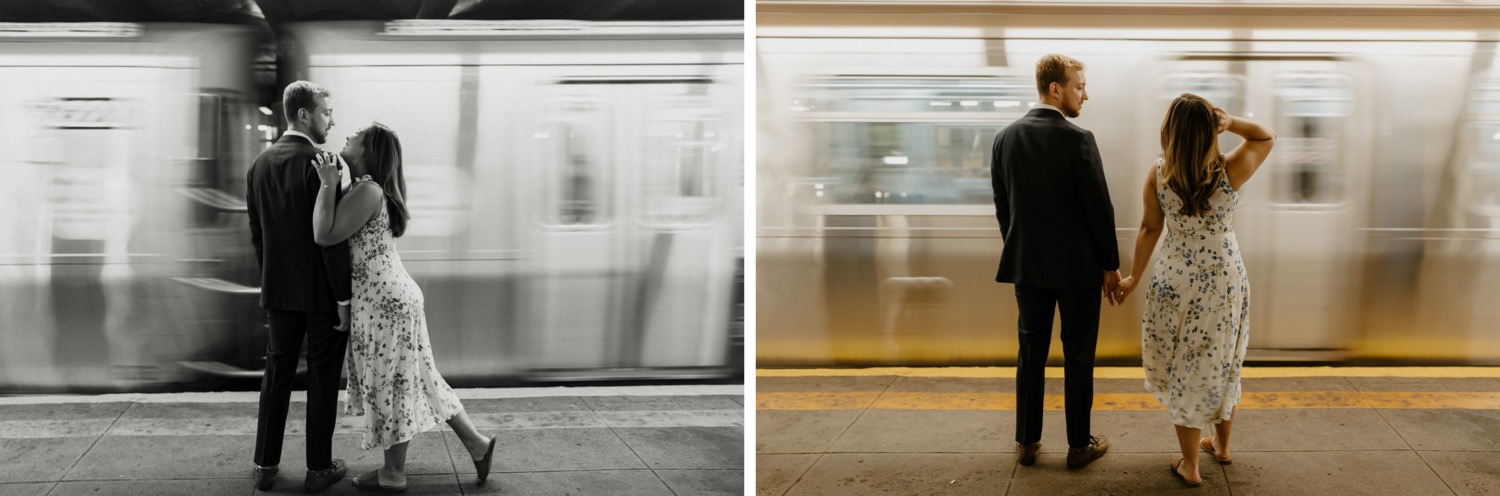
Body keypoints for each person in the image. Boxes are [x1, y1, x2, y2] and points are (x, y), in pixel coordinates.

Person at [309, 123, 497, 491]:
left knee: (390, 383)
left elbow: (323, 234)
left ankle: (393, 474)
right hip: (389, 297)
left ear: (368, 150)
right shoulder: (368, 189)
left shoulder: (367, 190)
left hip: (384, 303)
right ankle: (477, 444)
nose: (348, 135)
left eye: (357, 135)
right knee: (418, 378)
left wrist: (327, 184)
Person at [1114, 94, 1275, 486]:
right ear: (1210, 130)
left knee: (1186, 366)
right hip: (1224, 279)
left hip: (1176, 280)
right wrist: (1230, 121)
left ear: (1169, 130)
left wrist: (1133, 277)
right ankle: (1220, 446)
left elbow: (1150, 229)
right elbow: (1266, 137)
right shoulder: (1229, 169)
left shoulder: (1158, 172)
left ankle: (1190, 465)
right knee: (1223, 359)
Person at [990, 54, 1120, 470]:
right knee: (1078, 355)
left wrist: (1022, 247)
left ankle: (1027, 442)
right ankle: (1079, 445)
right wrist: (1110, 266)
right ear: (1056, 89)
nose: (1086, 93)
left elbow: (1003, 208)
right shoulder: (1078, 139)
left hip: (1027, 267)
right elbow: (1099, 209)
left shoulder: (1004, 139)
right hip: (1078, 270)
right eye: (1080, 86)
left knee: (1031, 352)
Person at [245, 80, 352, 493]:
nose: (332, 119)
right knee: (323, 379)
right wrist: (343, 296)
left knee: (277, 374)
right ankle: (318, 468)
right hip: (322, 295)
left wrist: (272, 277)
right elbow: (331, 239)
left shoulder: (260, 164)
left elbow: (258, 234)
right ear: (305, 115)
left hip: (279, 292)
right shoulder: (324, 163)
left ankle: (265, 465)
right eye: (326, 111)